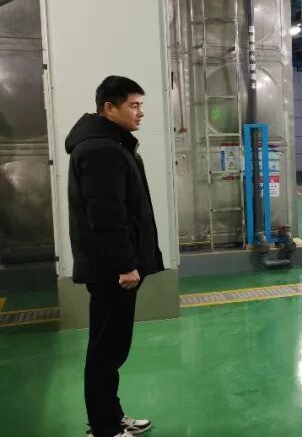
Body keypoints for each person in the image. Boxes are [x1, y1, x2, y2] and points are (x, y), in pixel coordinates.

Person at [67, 76, 162, 437]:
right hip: (112, 271)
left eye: (141, 105)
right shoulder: (100, 151)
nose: (140, 112)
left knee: (112, 348)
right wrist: (125, 265)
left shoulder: (111, 145)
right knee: (106, 350)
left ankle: (110, 416)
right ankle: (104, 428)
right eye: (133, 105)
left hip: (112, 268)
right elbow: (106, 217)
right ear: (109, 108)